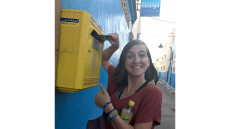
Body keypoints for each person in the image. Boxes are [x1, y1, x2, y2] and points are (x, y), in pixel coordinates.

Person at [94, 33, 162, 129]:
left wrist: (107, 106)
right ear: (124, 61)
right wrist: (114, 47)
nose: (136, 60)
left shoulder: (152, 92)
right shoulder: (118, 79)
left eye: (142, 55)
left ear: (148, 61)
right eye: (130, 56)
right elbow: (104, 58)